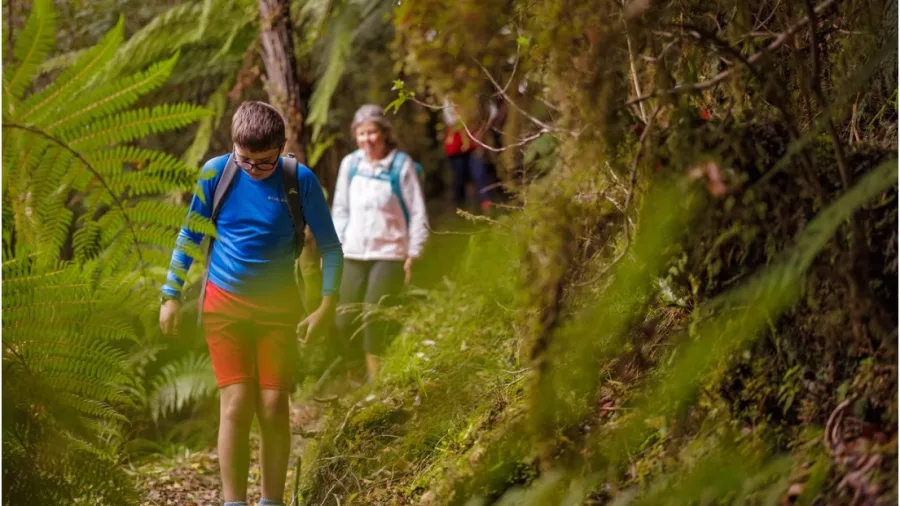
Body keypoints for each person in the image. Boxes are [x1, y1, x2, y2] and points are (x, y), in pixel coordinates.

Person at [158, 101, 344, 506]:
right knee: (237, 402)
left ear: (282, 146)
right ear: (233, 146)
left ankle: (271, 501)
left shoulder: (300, 180)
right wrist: (170, 294)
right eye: (245, 160)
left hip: (279, 307)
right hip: (224, 304)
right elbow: (189, 237)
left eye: (264, 162)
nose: (254, 169)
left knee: (275, 404)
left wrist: (326, 304)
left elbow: (331, 247)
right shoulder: (216, 173)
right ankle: (233, 501)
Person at [331, 104, 429, 381]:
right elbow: (340, 209)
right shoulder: (350, 165)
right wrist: (336, 246)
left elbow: (418, 211)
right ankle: (357, 374)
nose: (367, 140)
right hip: (353, 252)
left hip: (390, 252)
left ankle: (378, 385)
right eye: (361, 134)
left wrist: (414, 252)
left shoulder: (401, 165)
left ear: (384, 133)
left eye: (372, 132)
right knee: (342, 320)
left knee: (374, 320)